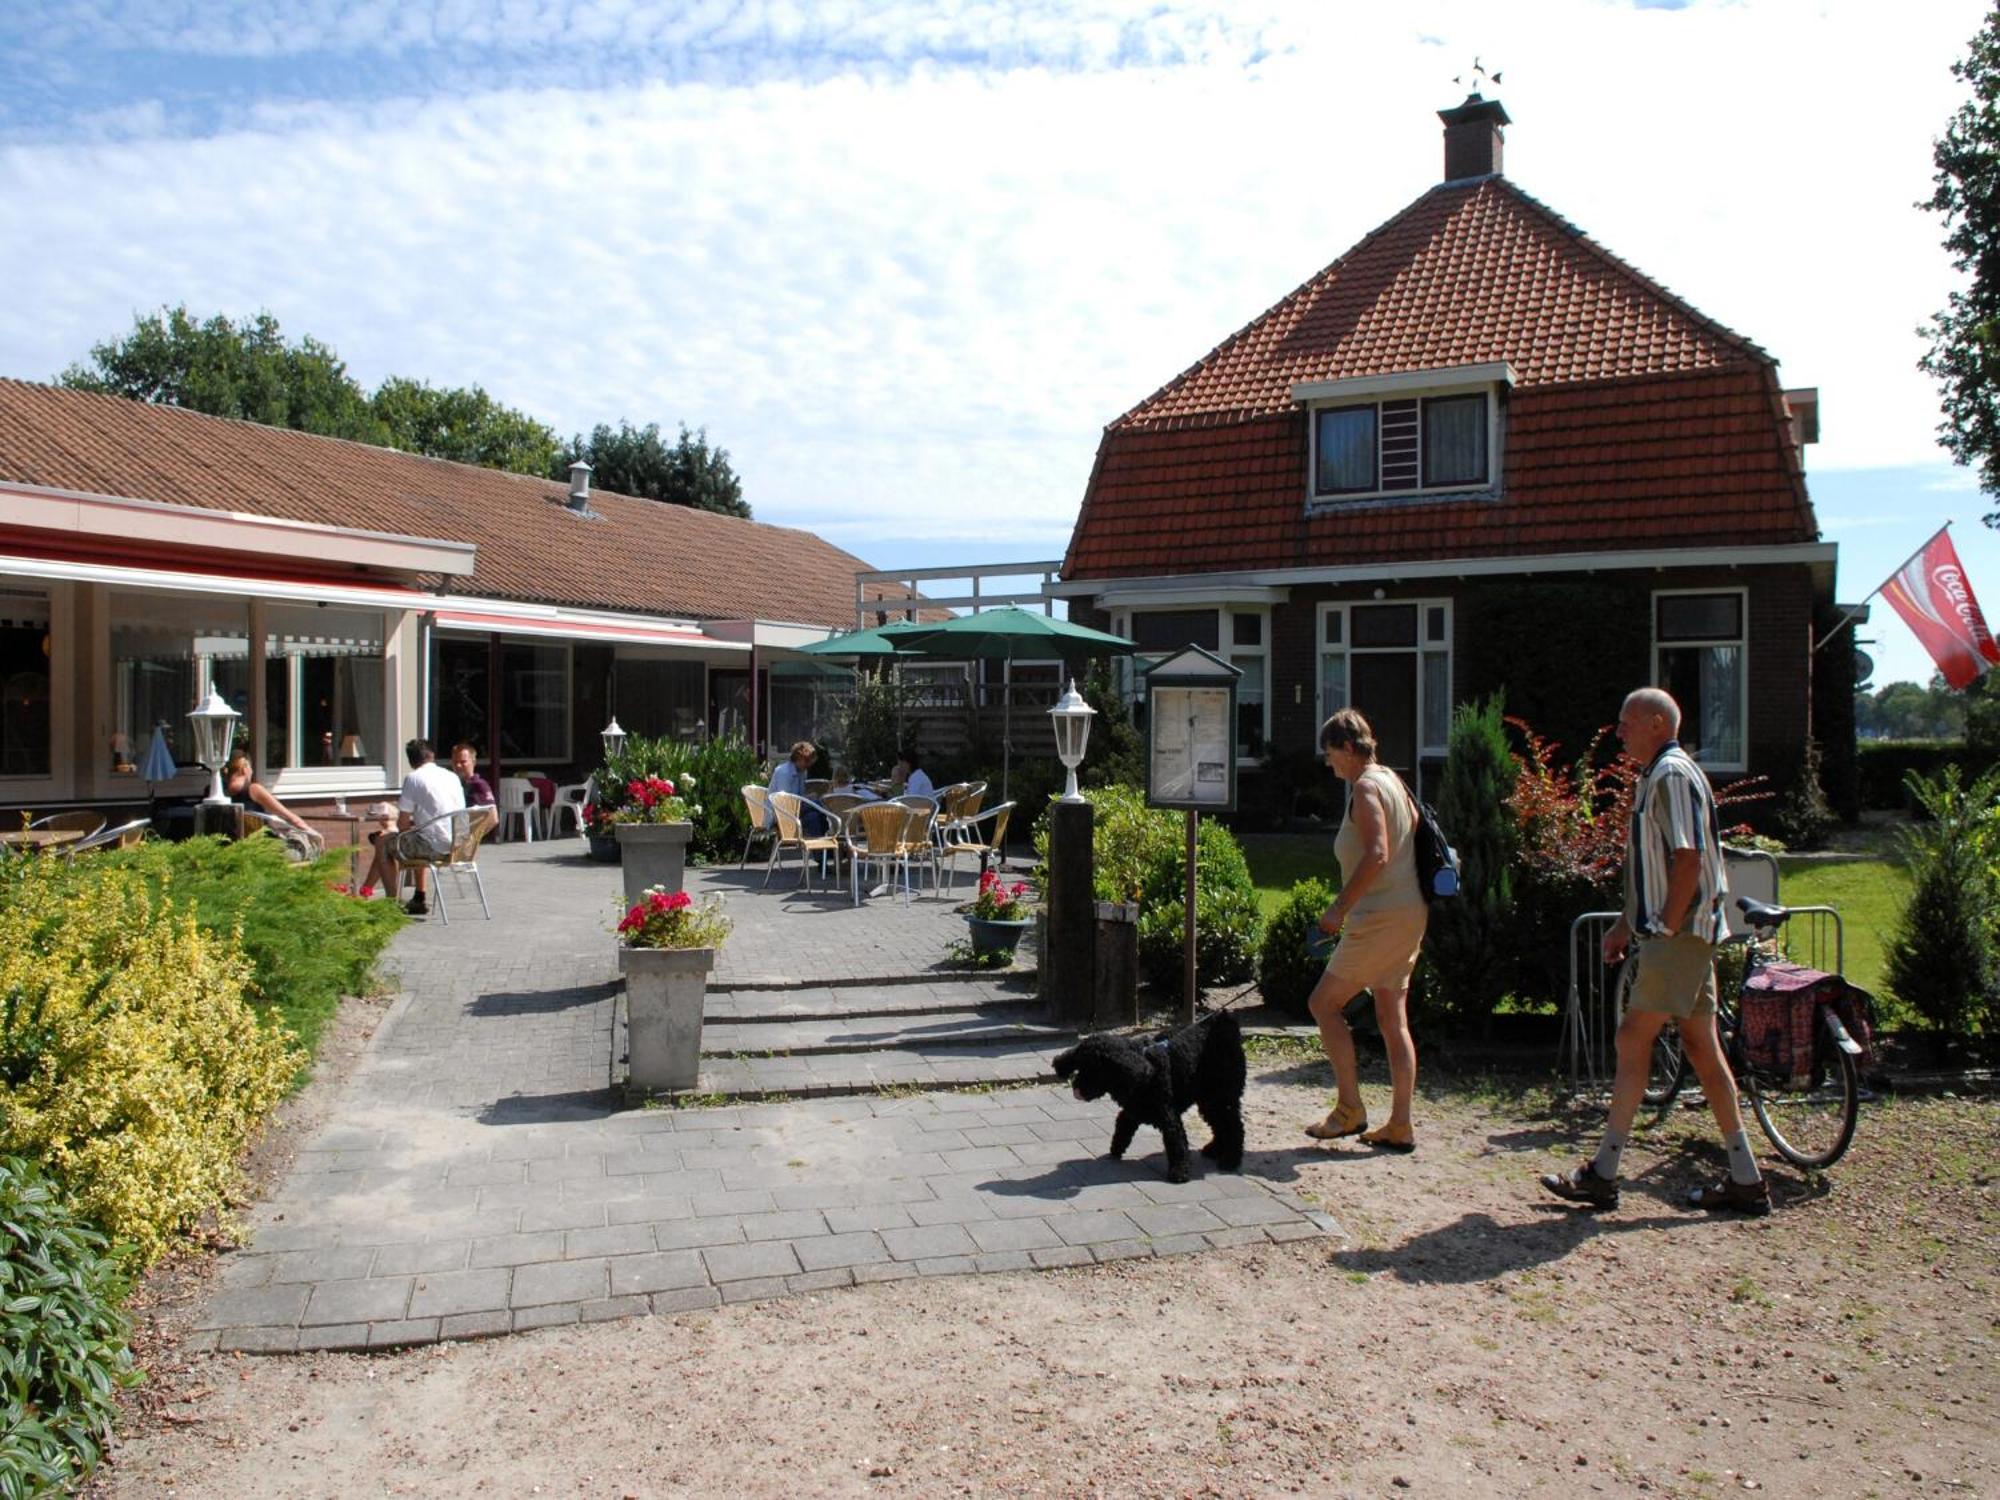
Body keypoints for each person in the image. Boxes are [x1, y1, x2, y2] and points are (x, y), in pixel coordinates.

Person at [1540, 688, 1769, 1215]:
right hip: (1683, 934)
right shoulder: (1661, 774)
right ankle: (1745, 1176)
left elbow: (1686, 857)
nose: (1619, 734)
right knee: (1701, 1047)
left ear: (1657, 723)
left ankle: (1603, 1172)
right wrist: (1627, 922)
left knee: (1632, 1036)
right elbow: (1659, 864)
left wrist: (1664, 926)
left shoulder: (1669, 775)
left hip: (1680, 936)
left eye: (1627, 724)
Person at [1301, 709, 1428, 1153]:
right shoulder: (1394, 780)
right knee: (1393, 1018)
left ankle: (1349, 1109)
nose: (1328, 762)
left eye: (1331, 752)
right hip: (1409, 912)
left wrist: (1338, 909)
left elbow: (1377, 853)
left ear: (1350, 748)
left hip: (1378, 918)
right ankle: (1400, 1124)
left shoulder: (1367, 787)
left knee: (1323, 1003)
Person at [358, 738, 467, 916]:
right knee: (410, 838)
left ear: (411, 761)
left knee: (383, 843)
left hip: (434, 848)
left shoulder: (413, 778)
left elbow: (402, 823)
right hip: (458, 845)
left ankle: (392, 902)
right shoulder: (451, 776)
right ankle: (418, 896)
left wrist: (397, 828)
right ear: (432, 755)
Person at [765, 740, 815, 828]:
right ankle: (813, 839)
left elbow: (799, 796)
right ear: (797, 758)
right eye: (806, 761)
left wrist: (808, 798)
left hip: (794, 810)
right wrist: (807, 801)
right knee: (813, 815)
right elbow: (784, 801)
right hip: (779, 815)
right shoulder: (784, 772)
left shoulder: (802, 773)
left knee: (816, 811)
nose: (809, 764)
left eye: (810, 761)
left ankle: (817, 839)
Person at [450, 741, 496, 808]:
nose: (458, 765)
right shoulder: (450, 785)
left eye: (463, 762)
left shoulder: (479, 785)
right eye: (455, 762)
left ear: (473, 762)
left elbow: (492, 814)